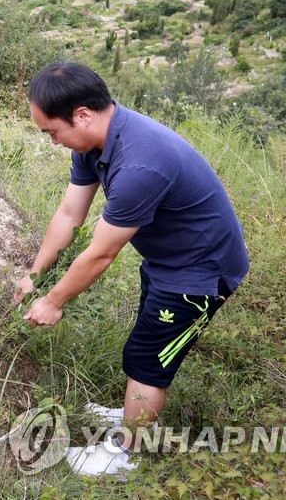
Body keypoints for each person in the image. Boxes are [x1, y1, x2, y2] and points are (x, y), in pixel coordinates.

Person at [14, 62, 249, 477]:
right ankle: (132, 414)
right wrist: (36, 275)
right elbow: (70, 213)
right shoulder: (93, 144)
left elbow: (102, 254)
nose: (53, 142)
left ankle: (127, 454)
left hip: (200, 273)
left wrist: (53, 301)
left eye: (52, 131)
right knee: (145, 337)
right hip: (167, 259)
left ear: (82, 115)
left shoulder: (141, 163)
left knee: (147, 360)